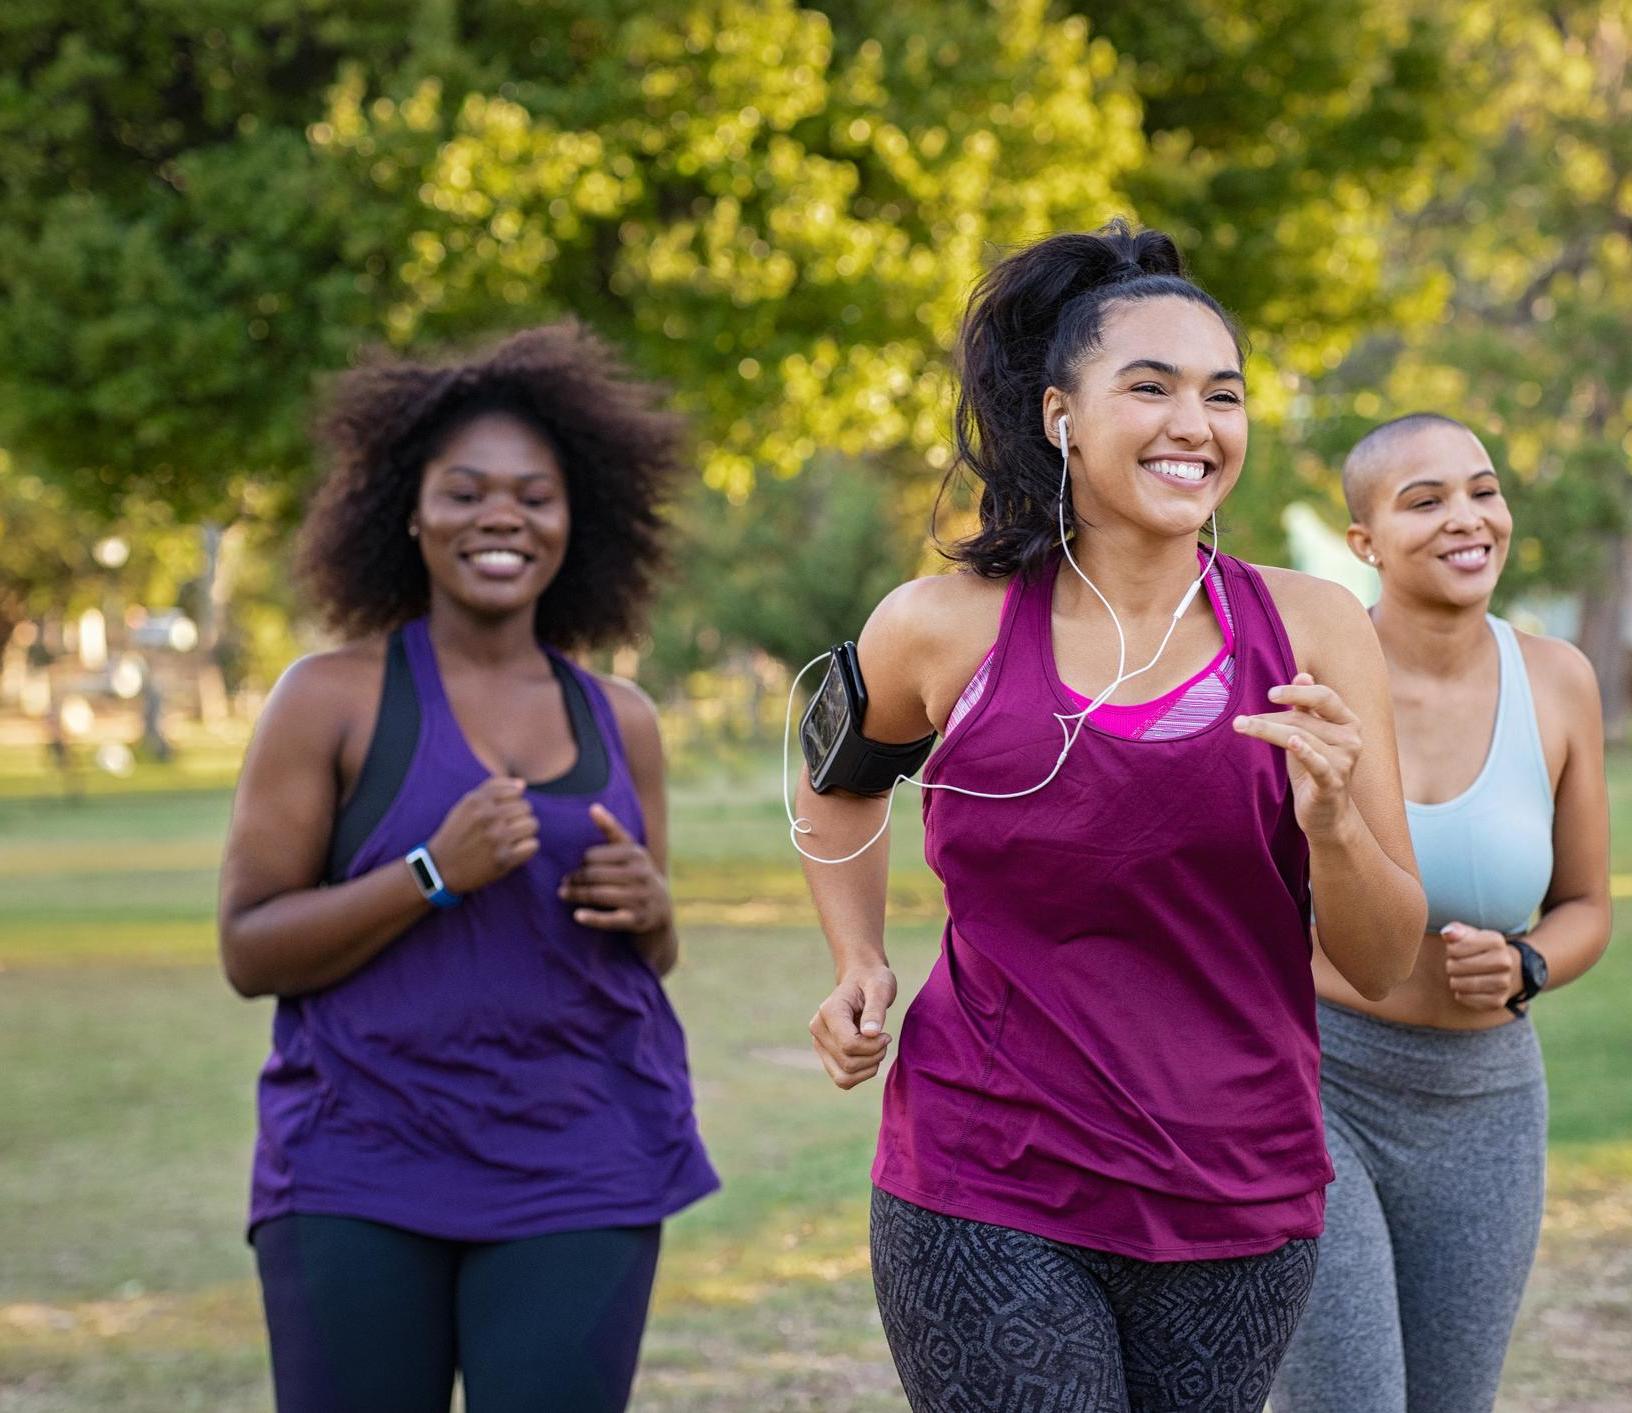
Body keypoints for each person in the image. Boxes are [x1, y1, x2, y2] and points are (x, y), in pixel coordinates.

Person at [792, 220, 1428, 1411]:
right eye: (1149, 387)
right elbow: (836, 784)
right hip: (985, 1177)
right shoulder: (940, 627)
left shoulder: (1315, 633)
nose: (1195, 424)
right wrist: (855, 959)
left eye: (1222, 395)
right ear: (1059, 417)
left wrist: (1335, 824)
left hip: (1236, 1191)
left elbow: (1383, 960)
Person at [217, 324, 716, 1413]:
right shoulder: (328, 698)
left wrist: (654, 912)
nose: (502, 516)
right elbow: (250, 950)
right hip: (359, 1160)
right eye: (465, 491)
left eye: (535, 496)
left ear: (576, 520)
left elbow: (651, 955)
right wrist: (431, 872)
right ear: (408, 510)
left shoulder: (621, 718)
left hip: (581, 1160)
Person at [1269, 413, 1613, 1413]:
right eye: (1424, 501)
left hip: (1486, 1105)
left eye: (1482, 490)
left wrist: (1526, 966)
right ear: (1363, 542)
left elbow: (1586, 904)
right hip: (1317, 1087)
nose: (1466, 518)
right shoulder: (1303, 683)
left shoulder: (1558, 681)